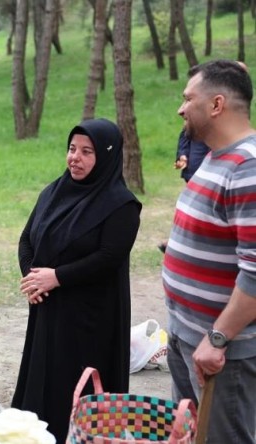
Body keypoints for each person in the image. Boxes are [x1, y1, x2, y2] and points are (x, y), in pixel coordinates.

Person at [12, 118, 141, 442]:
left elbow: (109, 257)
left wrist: (57, 277)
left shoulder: (121, 205)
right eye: (72, 149)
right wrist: (32, 278)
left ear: (107, 156)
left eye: (87, 152)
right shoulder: (54, 191)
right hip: (49, 309)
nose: (75, 158)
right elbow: (27, 238)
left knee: (77, 386)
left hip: (90, 318)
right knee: (44, 379)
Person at [163, 59, 256, 443]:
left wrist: (218, 339)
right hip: (188, 337)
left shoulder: (248, 167)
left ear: (216, 105)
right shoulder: (218, 156)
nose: (181, 108)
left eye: (188, 99)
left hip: (220, 351)